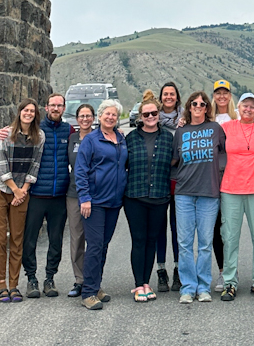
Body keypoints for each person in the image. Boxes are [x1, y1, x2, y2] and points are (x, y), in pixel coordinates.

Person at [172, 90, 226, 303]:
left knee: (205, 243)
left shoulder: (215, 129)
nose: (198, 106)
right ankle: (188, 287)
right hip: (184, 193)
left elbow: (227, 152)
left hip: (209, 193)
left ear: (207, 108)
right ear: (189, 106)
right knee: (185, 243)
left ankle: (203, 286)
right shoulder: (181, 131)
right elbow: (174, 161)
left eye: (202, 104)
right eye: (194, 103)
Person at [75, 98, 128, 311]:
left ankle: (96, 286)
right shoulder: (91, 140)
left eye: (114, 114)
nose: (110, 117)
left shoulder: (121, 139)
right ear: (100, 116)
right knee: (95, 246)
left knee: (103, 246)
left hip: (114, 202)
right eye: (107, 113)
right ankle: (87, 292)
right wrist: (85, 198)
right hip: (94, 202)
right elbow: (81, 170)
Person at [0, 99, 44, 302]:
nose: (28, 113)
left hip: (22, 191)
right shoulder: (7, 134)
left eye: (32, 110)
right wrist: (15, 190)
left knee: (17, 239)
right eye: (25, 110)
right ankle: (2, 284)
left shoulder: (39, 137)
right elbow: (1, 164)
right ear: (19, 112)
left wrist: (24, 190)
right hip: (1, 189)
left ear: (36, 114)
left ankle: (14, 285)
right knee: (0, 238)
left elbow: (35, 165)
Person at [219, 91, 254, 301]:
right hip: (230, 190)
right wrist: (184, 119)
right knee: (230, 238)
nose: (248, 109)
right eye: (244, 106)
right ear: (238, 108)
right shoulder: (226, 127)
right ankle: (229, 282)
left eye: (252, 106)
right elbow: (203, 128)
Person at [21, 93, 70, 298]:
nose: (56, 108)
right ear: (46, 107)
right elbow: (16, 133)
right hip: (37, 194)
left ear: (64, 108)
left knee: (56, 240)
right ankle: (31, 278)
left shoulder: (69, 130)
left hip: (59, 195)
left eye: (59, 105)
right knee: (29, 239)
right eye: (52, 105)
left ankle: (50, 278)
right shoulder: (36, 129)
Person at [124, 95, 173, 302]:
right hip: (135, 196)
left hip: (160, 197)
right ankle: (138, 284)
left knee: (152, 241)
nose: (151, 116)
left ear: (159, 114)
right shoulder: (130, 138)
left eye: (154, 113)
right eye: (147, 114)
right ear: (140, 116)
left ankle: (146, 282)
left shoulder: (168, 137)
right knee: (139, 240)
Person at [155, 81, 182, 292]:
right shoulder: (153, 119)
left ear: (177, 97)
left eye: (172, 94)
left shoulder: (186, 119)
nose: (169, 97)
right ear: (161, 97)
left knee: (178, 227)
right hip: (159, 179)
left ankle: (178, 269)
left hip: (181, 179)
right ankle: (161, 269)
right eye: (165, 94)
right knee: (159, 227)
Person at [66, 102, 95, 298]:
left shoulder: (99, 137)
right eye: (81, 116)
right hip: (74, 193)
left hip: (96, 194)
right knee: (77, 237)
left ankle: (94, 279)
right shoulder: (71, 139)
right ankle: (80, 280)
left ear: (94, 118)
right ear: (77, 119)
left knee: (94, 240)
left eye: (88, 116)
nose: (85, 119)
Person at [210, 79, 236, 291]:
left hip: (233, 177)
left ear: (229, 96)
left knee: (230, 228)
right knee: (215, 228)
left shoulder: (236, 118)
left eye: (225, 93)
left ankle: (231, 270)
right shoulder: (208, 119)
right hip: (211, 177)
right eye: (218, 93)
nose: (221, 97)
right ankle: (222, 271)